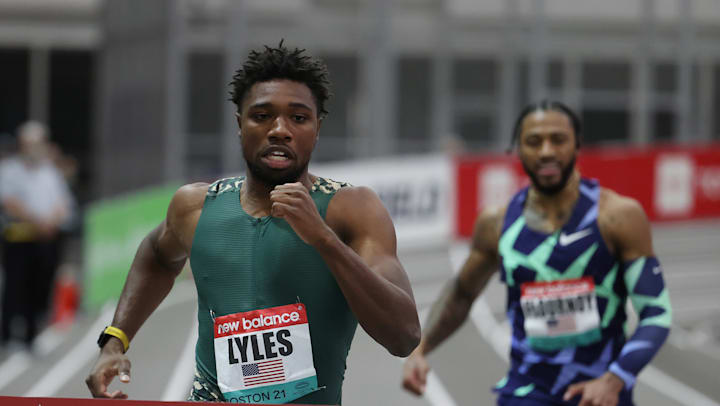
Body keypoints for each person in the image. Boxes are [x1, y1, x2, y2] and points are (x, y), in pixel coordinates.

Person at [85, 42, 420, 404]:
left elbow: (403, 336)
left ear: (317, 128)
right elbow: (156, 256)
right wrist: (114, 340)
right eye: (262, 116)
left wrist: (323, 239)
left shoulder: (351, 209)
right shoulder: (195, 207)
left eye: (299, 117)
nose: (280, 130)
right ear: (239, 124)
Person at [402, 100, 672, 406]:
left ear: (577, 145)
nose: (546, 151)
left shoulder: (618, 217)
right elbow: (462, 294)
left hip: (600, 395)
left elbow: (656, 314)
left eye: (558, 140)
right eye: (534, 141)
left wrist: (615, 379)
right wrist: (419, 351)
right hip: (526, 394)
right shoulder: (497, 224)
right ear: (518, 148)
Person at [0, 121, 72, 349]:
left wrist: (51, 221)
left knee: (39, 286)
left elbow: (62, 203)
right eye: (30, 143)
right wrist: (37, 221)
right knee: (14, 286)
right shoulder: (10, 170)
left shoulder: (50, 172)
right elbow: (9, 202)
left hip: (45, 239)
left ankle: (31, 335)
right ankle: (7, 335)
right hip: (19, 238)